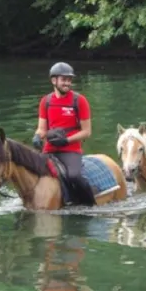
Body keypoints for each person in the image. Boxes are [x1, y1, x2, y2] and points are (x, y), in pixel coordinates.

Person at [32, 62, 98, 206]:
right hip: (49, 149)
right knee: (32, 173)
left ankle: (91, 205)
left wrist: (67, 141)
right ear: (54, 80)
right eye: (64, 79)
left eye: (69, 80)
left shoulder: (79, 101)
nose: (67, 83)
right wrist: (37, 136)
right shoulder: (46, 101)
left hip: (71, 150)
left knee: (74, 176)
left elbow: (87, 132)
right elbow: (42, 128)